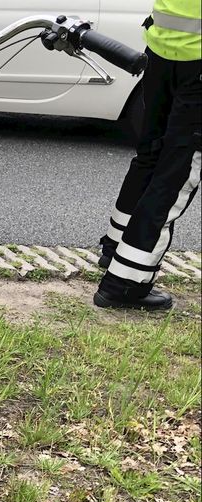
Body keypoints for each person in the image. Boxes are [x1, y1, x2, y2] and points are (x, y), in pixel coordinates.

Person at [96, 0, 201, 311]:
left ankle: (116, 249)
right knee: (178, 174)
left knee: (151, 157)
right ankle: (125, 284)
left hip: (162, 51)